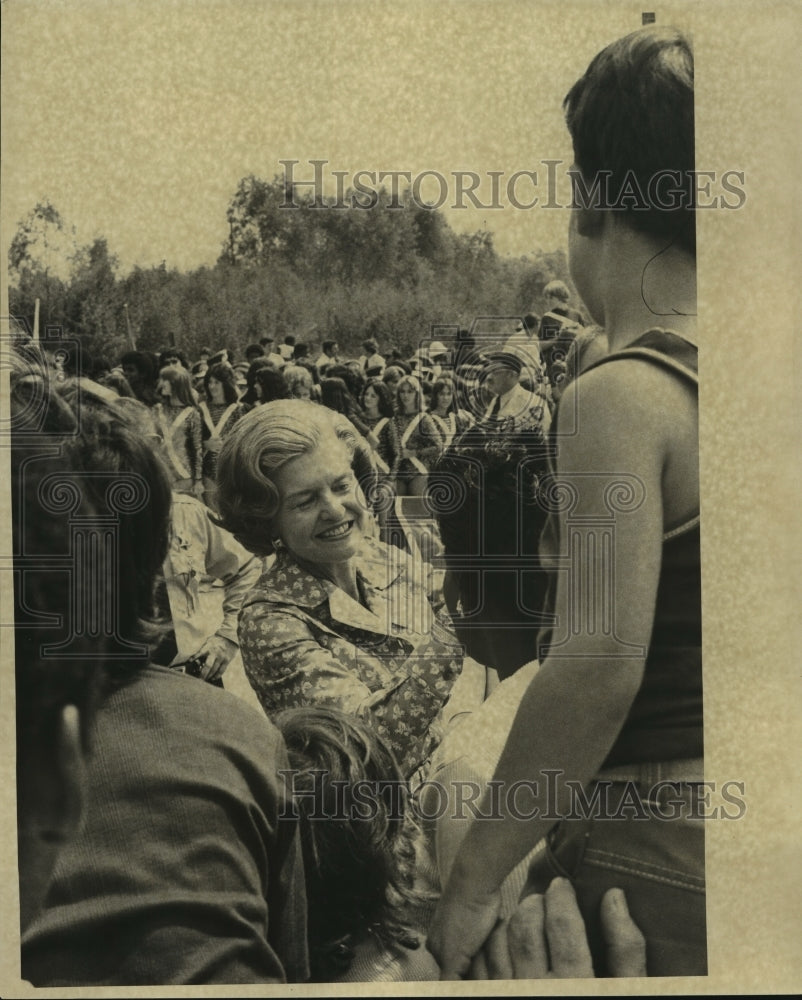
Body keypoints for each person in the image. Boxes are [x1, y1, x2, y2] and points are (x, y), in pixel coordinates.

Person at [428, 25, 703, 979]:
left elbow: (595, 667)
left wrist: (469, 887)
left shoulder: (624, 394)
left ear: (588, 200)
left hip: (655, 835)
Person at [18, 378, 309, 986]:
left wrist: (222, 641)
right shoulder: (243, 738)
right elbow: (291, 963)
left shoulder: (197, 523)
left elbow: (241, 571)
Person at [214, 400, 491, 780]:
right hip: (377, 824)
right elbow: (366, 745)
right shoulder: (268, 618)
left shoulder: (378, 555)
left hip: (451, 783)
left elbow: (469, 602)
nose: (334, 509)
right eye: (305, 501)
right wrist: (455, 616)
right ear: (266, 520)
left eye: (342, 485)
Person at [198, 361, 246, 509]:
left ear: (226, 383)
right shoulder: (200, 409)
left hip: (231, 470)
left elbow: (245, 440)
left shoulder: (240, 409)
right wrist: (205, 444)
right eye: (209, 382)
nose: (212, 386)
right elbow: (189, 441)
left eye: (216, 382)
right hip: (208, 472)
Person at [153, 364, 204, 497]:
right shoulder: (157, 410)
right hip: (160, 473)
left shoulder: (192, 414)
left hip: (184, 475)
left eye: (166, 380)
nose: (161, 384)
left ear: (177, 384)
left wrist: (198, 480)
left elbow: (198, 449)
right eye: (161, 379)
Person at [392, 375, 444, 497]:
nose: (405, 395)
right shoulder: (393, 416)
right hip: (397, 471)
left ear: (417, 394)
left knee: (418, 510)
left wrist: (414, 452)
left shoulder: (424, 418)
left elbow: (438, 446)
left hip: (418, 471)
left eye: (410, 391)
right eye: (402, 391)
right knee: (395, 511)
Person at [427, 375, 473, 451]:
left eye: (449, 394)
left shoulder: (458, 418)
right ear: (436, 396)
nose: (445, 398)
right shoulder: (429, 419)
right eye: (442, 394)